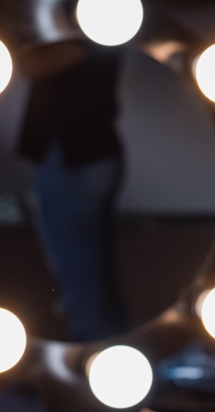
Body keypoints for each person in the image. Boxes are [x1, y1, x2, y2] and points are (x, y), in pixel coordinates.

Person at [17, 41, 131, 342]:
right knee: (96, 274)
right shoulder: (92, 29)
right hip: (90, 152)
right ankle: (117, 352)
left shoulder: (80, 31)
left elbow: (31, 64)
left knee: (82, 277)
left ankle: (91, 358)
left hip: (76, 157)